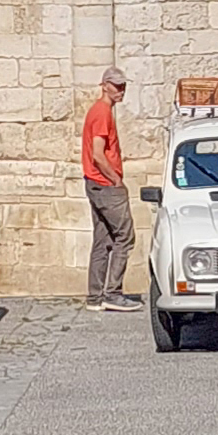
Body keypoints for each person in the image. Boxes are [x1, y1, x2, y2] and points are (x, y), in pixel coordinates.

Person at [81, 68, 134, 304]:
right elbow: (98, 154)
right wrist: (116, 180)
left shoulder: (99, 111)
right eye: (116, 86)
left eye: (123, 86)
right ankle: (113, 293)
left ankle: (95, 296)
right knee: (125, 236)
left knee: (102, 240)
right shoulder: (102, 112)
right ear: (104, 85)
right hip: (105, 184)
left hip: (94, 183)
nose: (120, 90)